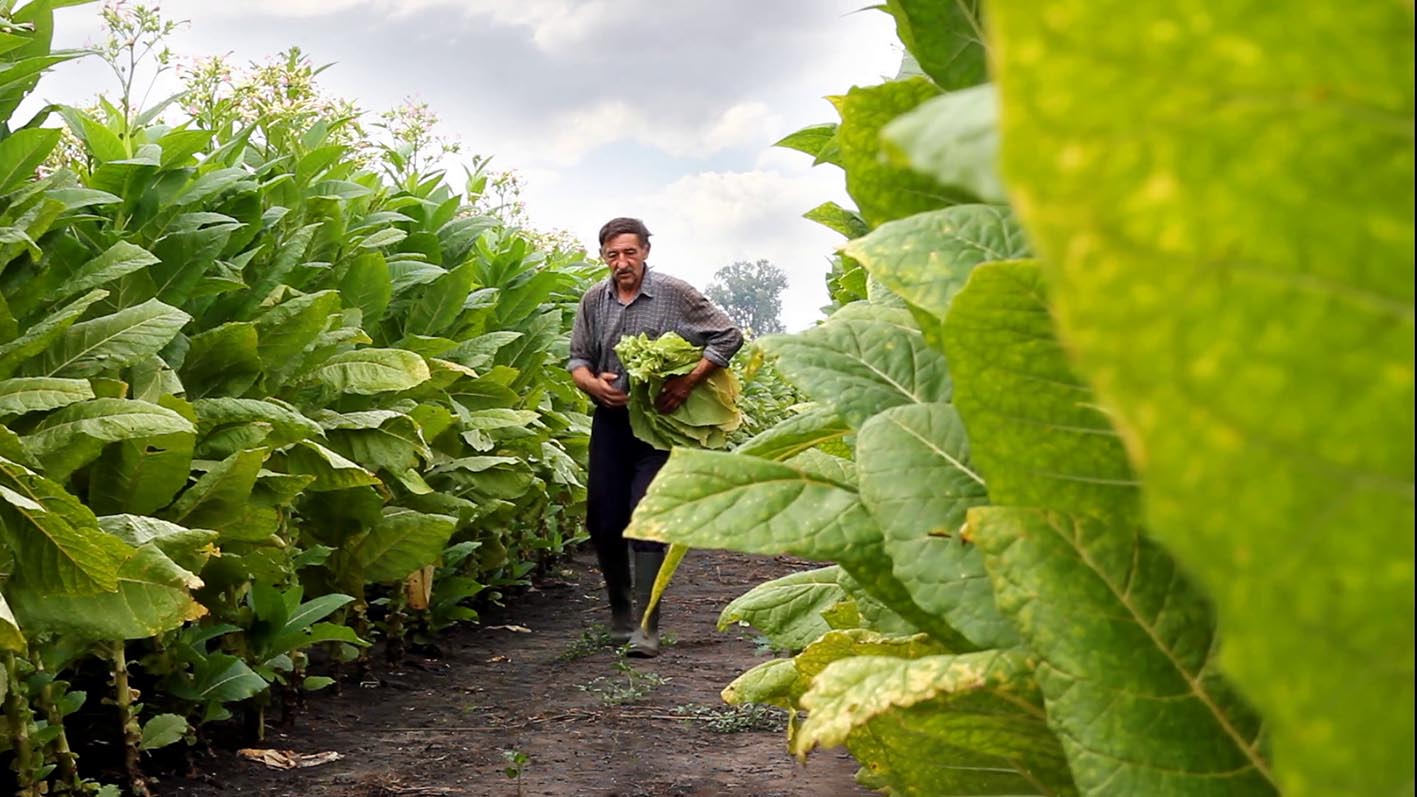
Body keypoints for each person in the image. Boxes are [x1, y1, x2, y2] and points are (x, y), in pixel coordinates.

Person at [568, 217, 743, 658]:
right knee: (604, 520)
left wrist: (686, 382)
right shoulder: (594, 300)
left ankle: (647, 625)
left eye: (629, 252)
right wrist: (591, 384)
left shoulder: (675, 293)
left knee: (646, 515)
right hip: (611, 422)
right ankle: (620, 614)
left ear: (645, 250)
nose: (621, 262)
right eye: (612, 254)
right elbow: (577, 360)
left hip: (659, 425)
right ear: (603, 256)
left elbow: (727, 336)